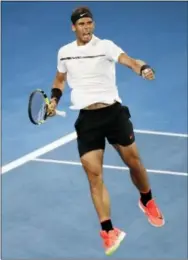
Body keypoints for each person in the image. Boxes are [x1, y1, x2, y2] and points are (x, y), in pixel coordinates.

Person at [47, 6, 165, 256]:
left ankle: (147, 199)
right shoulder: (65, 53)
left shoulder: (106, 46)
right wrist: (54, 100)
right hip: (87, 119)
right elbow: (59, 79)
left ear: (94, 25)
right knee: (94, 177)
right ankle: (108, 230)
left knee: (134, 162)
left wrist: (142, 68)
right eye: (82, 24)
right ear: (73, 27)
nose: (87, 27)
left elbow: (130, 60)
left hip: (113, 114)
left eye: (90, 23)